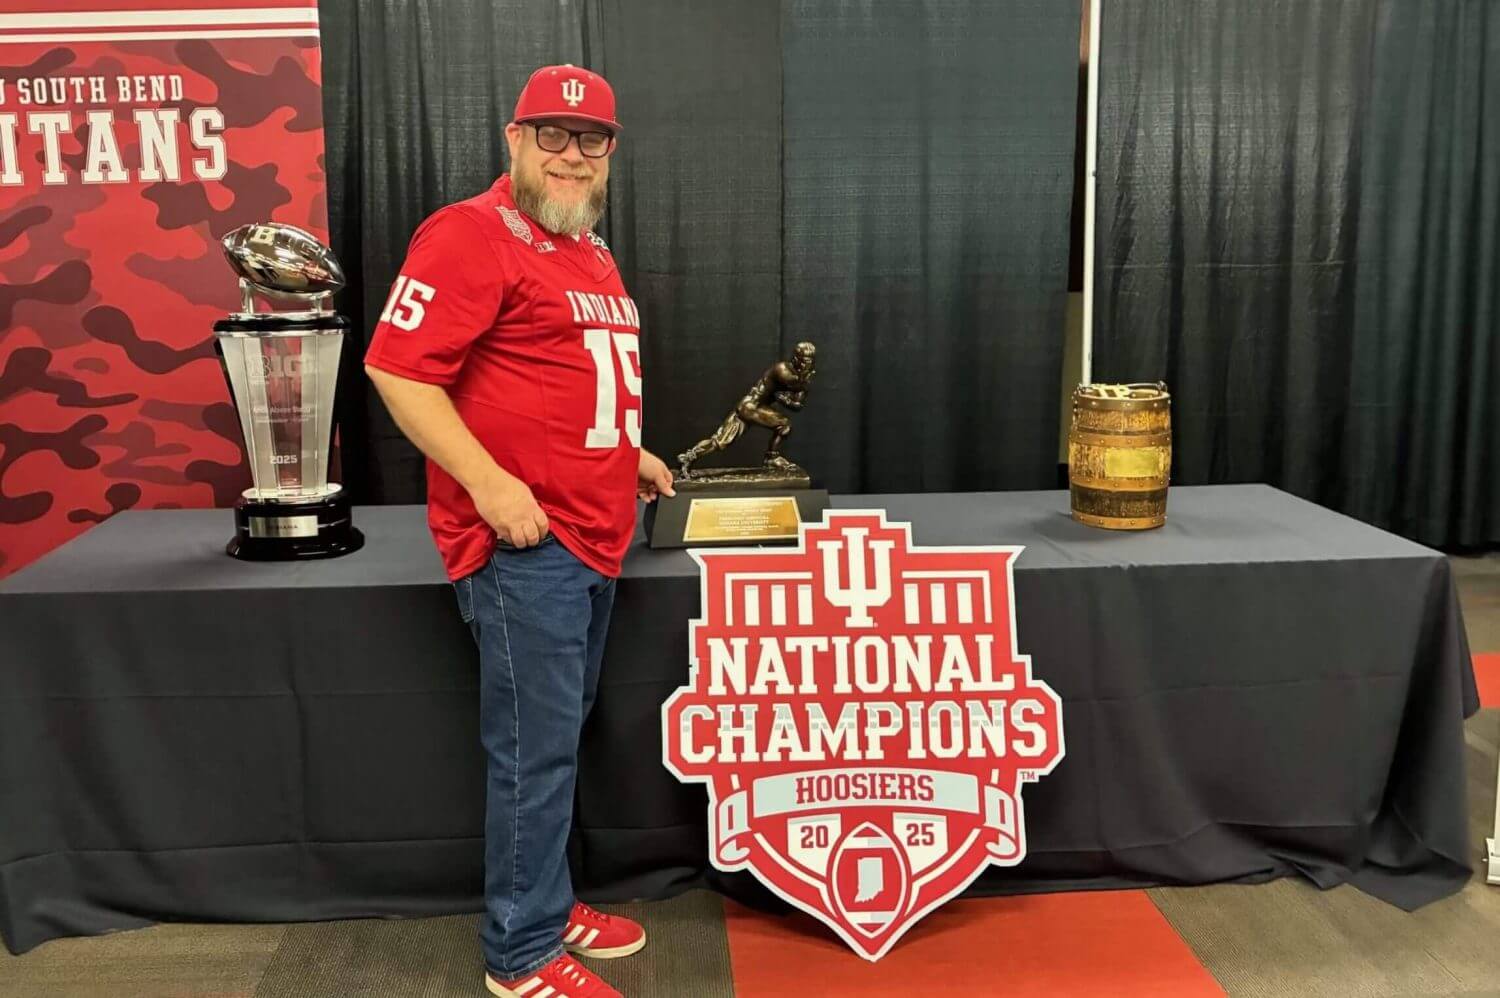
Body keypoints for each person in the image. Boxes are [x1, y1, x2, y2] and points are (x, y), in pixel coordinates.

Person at [364, 64, 673, 998]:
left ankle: (549, 900)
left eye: (592, 140)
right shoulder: (468, 233)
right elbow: (398, 369)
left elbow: (559, 376)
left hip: (595, 533)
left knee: (559, 739)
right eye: (553, 135)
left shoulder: (586, 247)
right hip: (527, 548)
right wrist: (490, 482)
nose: (572, 155)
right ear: (514, 139)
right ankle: (522, 952)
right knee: (533, 753)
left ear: (610, 152)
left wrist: (627, 450)